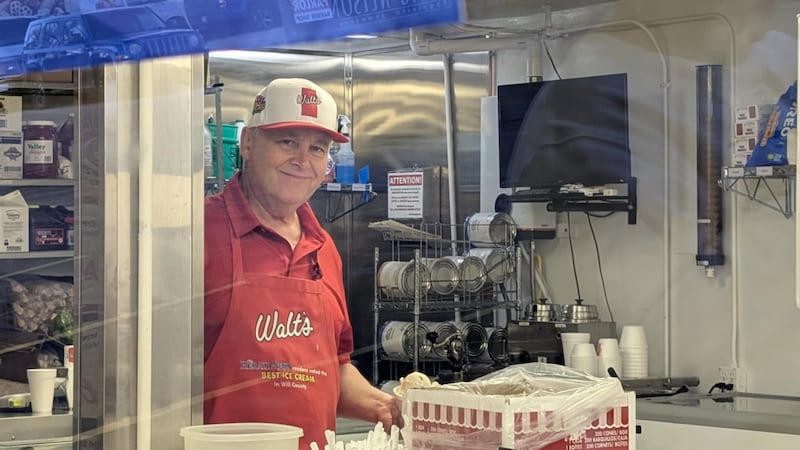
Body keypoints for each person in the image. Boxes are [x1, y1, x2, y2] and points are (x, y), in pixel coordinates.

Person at [204, 78, 402, 448]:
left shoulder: (323, 247)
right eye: (287, 142)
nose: (303, 160)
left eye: (317, 148)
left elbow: (331, 368)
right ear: (248, 142)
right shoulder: (198, 233)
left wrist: (390, 408)